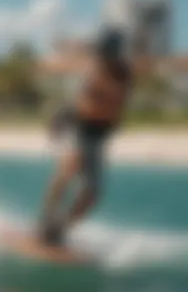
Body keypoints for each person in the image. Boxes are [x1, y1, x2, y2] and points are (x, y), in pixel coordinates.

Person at [37, 27, 141, 247]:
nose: (102, 58)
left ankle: (61, 229)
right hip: (78, 124)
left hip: (99, 133)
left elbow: (121, 92)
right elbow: (82, 97)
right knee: (69, 166)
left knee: (93, 192)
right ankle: (45, 218)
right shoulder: (96, 69)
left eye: (106, 54)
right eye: (101, 54)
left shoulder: (125, 73)